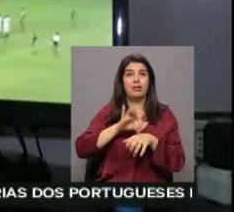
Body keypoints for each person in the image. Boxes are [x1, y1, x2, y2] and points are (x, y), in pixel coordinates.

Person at [75, 53, 185, 182]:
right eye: (129, 74)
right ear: (121, 81)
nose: (136, 79)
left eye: (142, 74)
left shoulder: (165, 116)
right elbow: (81, 148)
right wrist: (117, 128)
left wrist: (152, 141)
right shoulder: (108, 112)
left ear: (150, 81)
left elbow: (178, 162)